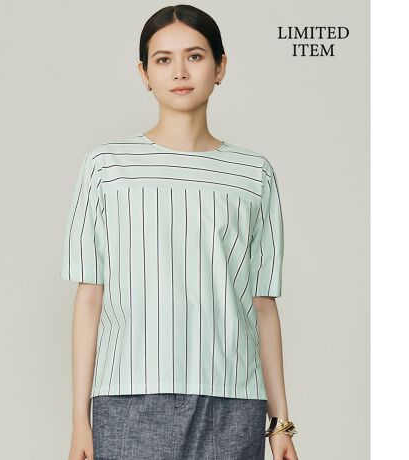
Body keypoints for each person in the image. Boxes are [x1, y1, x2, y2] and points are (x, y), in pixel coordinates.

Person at [61, 4, 298, 460]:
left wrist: (280, 423)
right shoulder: (106, 167)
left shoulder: (254, 174)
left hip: (233, 401)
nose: (179, 72)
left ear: (220, 67)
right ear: (144, 73)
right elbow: (90, 298)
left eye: (195, 56)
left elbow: (262, 305)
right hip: (129, 398)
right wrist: (79, 421)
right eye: (163, 59)